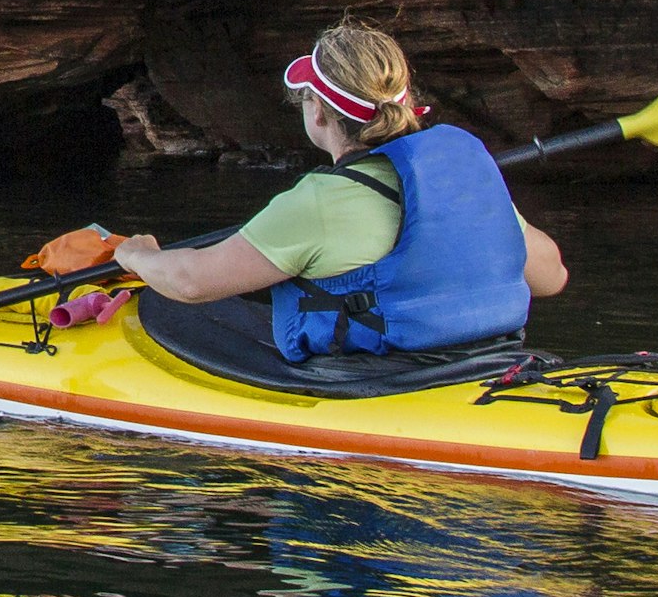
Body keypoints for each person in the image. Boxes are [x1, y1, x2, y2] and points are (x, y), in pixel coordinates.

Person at [47, 20, 565, 366]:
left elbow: (190, 283)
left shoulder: (317, 201)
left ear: (317, 111)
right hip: (484, 362)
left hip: (377, 380)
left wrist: (137, 256)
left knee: (174, 308)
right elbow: (551, 277)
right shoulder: (463, 178)